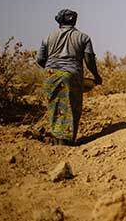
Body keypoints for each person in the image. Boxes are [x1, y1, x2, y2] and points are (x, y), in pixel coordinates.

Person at [36, 9, 102, 145]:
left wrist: (52, 71)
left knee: (54, 107)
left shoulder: (47, 37)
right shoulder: (83, 37)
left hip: (51, 74)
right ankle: (67, 141)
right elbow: (89, 60)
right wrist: (96, 76)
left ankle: (57, 139)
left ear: (59, 21)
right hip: (72, 75)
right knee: (72, 106)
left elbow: (40, 59)